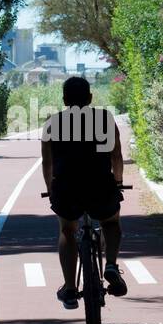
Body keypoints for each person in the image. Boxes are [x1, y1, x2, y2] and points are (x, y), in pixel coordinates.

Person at [40, 76, 127, 309]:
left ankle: (70, 289)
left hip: (66, 189)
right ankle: (110, 265)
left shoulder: (52, 123)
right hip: (100, 186)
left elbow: (47, 164)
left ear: (64, 99)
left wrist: (51, 190)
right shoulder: (104, 119)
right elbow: (116, 156)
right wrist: (118, 182)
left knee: (68, 230)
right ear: (90, 98)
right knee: (111, 222)